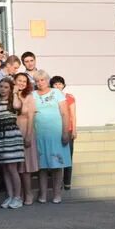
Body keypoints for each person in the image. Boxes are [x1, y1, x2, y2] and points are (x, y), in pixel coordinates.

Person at [33, 71, 72, 204]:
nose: (40, 83)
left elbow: (65, 113)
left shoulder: (56, 93)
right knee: (42, 167)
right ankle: (43, 194)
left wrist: (65, 132)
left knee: (57, 165)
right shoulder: (32, 95)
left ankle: (57, 194)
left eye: (42, 80)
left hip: (56, 134)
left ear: (47, 80)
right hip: (40, 135)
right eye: (37, 81)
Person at [0, 78, 25, 209]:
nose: (3, 89)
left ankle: (17, 197)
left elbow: (17, 106)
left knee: (12, 168)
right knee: (4, 168)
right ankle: (10, 195)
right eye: (1, 86)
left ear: (10, 89)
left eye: (6, 87)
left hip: (11, 135)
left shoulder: (13, 101)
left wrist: (15, 93)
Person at [15, 72, 38, 205]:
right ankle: (19, 193)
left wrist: (29, 135)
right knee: (16, 166)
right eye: (19, 80)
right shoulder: (11, 94)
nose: (22, 83)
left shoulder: (29, 97)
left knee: (26, 167)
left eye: (24, 81)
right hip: (13, 132)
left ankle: (28, 193)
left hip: (25, 130)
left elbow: (31, 117)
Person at [51, 76, 77, 190]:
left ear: (63, 85)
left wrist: (74, 130)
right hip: (55, 131)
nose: (58, 86)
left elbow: (73, 115)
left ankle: (67, 182)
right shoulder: (50, 98)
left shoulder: (69, 97)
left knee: (68, 156)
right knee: (56, 157)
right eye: (55, 84)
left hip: (68, 129)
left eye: (60, 84)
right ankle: (58, 183)